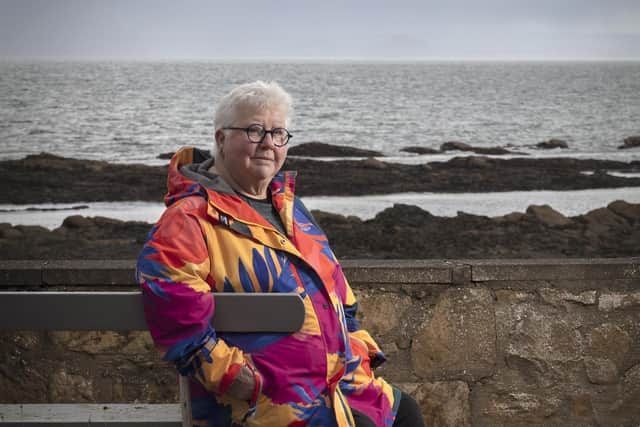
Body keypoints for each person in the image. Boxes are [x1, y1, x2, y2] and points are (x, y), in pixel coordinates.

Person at [136, 81, 425, 427]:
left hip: (341, 386)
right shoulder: (189, 220)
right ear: (221, 139)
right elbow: (178, 318)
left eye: (278, 133)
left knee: (405, 412)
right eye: (254, 130)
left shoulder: (291, 208)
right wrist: (243, 381)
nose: (268, 144)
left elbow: (341, 298)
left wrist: (359, 353)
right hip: (272, 403)